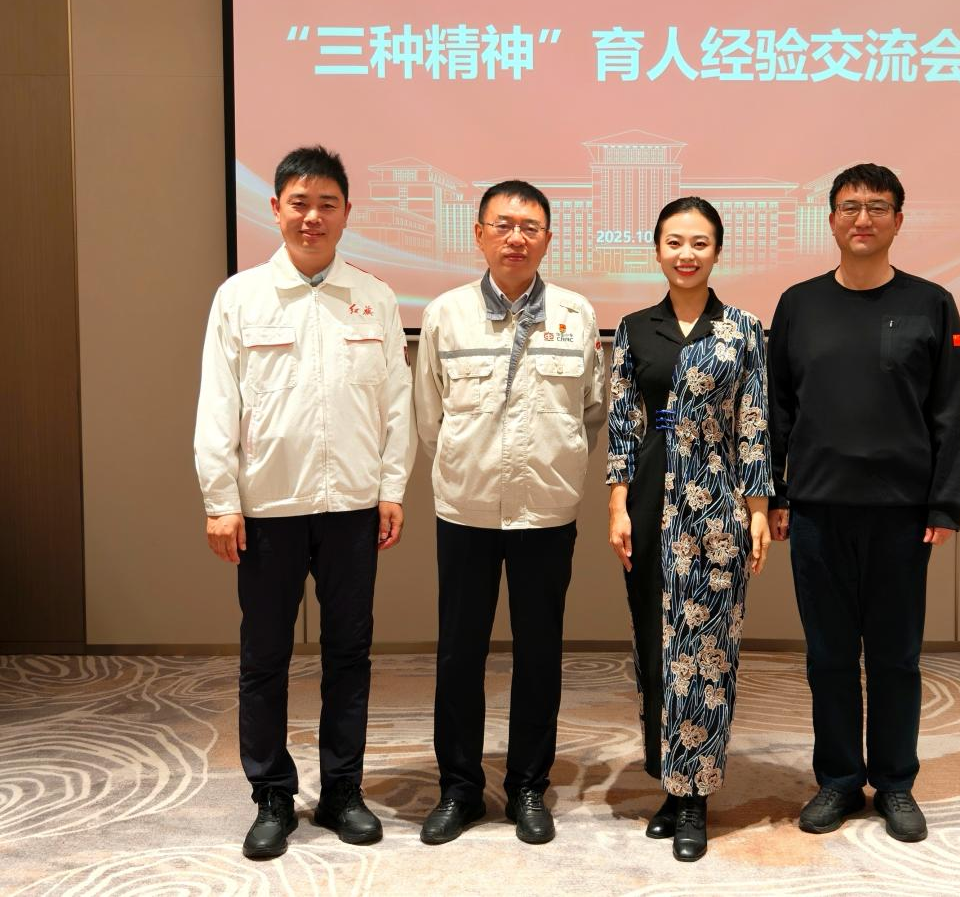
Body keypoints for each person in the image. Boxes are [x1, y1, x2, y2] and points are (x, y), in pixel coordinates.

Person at [194, 145, 415, 859]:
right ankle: (271, 794)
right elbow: (217, 405)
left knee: (350, 654)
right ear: (276, 209)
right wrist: (220, 499)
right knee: (264, 657)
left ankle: (343, 790)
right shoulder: (240, 298)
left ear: (347, 213)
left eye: (327, 204)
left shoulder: (374, 297)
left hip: (351, 507)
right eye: (299, 203)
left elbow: (397, 405)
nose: (312, 216)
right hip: (267, 508)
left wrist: (390, 488)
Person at [767, 163, 960, 843]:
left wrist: (944, 504)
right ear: (830, 219)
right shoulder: (798, 304)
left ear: (898, 220)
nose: (862, 218)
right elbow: (777, 408)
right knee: (827, 656)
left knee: (894, 657)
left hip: (901, 513)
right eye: (849, 206)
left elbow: (949, 412)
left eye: (877, 207)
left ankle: (895, 782)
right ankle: (838, 779)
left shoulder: (931, 303)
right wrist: (774, 493)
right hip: (815, 509)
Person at [414, 180, 606, 846]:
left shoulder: (577, 313)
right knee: (458, 655)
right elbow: (430, 417)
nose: (515, 238)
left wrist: (551, 464)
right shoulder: (444, 314)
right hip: (465, 509)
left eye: (529, 227)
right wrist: (470, 466)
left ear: (547, 239)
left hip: (545, 512)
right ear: (479, 234)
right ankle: (459, 788)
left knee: (539, 654)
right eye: (502, 225)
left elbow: (589, 411)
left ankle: (528, 785)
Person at [606, 196, 772, 862]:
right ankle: (668, 784)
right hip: (650, 494)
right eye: (674, 241)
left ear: (717, 251)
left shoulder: (742, 328)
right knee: (655, 643)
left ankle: (696, 794)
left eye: (699, 242)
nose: (686, 253)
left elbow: (754, 423)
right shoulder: (633, 328)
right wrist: (617, 504)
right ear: (656, 249)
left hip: (716, 501)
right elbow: (624, 421)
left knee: (707, 648)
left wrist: (757, 511)